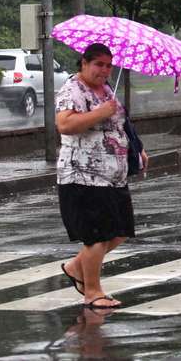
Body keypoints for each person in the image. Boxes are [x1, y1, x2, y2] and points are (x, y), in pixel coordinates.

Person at [55, 43, 148, 309]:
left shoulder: (106, 89)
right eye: (99, 64)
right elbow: (65, 124)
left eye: (109, 65)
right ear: (84, 63)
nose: (105, 70)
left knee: (119, 231)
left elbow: (120, 123)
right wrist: (99, 112)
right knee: (97, 236)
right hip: (84, 175)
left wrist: (138, 148)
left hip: (113, 174)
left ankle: (76, 266)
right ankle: (92, 292)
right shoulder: (72, 90)